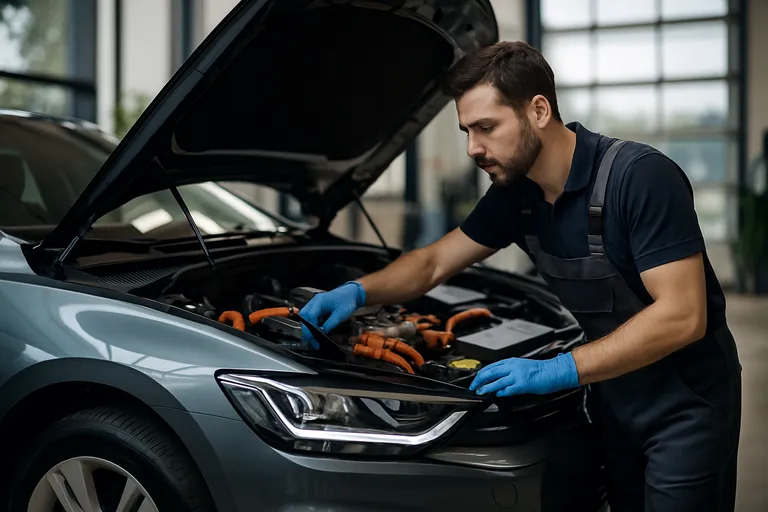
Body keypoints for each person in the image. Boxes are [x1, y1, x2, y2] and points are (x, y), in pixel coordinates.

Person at [299, 41, 741, 511]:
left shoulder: (640, 178)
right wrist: (358, 290)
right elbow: (432, 263)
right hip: (614, 396)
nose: (473, 148)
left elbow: (683, 315)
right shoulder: (518, 193)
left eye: (486, 128)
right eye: (467, 130)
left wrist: (560, 368)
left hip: (685, 405)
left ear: (538, 110)